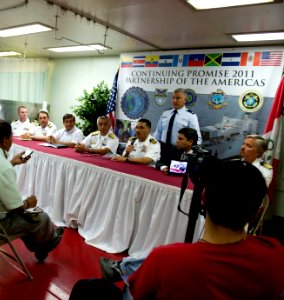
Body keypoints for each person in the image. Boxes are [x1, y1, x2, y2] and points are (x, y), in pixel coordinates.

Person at [126, 160, 284, 299]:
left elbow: (138, 294)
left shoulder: (164, 260)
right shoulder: (275, 254)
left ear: (203, 197)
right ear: (256, 212)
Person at [100, 128, 198, 281]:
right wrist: (165, 167)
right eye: (177, 138)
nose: (177, 141)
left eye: (180, 139)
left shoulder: (198, 157)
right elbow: (159, 162)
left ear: (190, 142)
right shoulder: (173, 150)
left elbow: (193, 172)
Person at [0, 119, 64, 262]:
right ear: (5, 140)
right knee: (41, 217)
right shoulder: (2, 166)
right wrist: (29, 203)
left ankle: (45, 241)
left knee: (30, 219)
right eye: (11, 136)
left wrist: (12, 163)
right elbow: (15, 207)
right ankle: (48, 241)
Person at [153, 88, 201, 165]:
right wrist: (154, 147)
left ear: (185, 100)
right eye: (173, 98)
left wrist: (189, 154)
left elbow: (196, 138)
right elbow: (158, 133)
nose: (175, 100)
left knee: (174, 174)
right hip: (163, 149)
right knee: (159, 170)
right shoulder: (166, 113)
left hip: (179, 151)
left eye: (178, 98)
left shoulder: (190, 116)